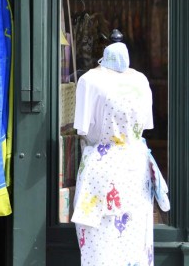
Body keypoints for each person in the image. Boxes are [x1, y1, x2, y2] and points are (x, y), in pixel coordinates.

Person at [72, 38, 170, 265]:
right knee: (123, 245)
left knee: (103, 248)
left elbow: (82, 129)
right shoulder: (139, 80)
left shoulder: (90, 80)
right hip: (135, 167)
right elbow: (144, 125)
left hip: (103, 168)